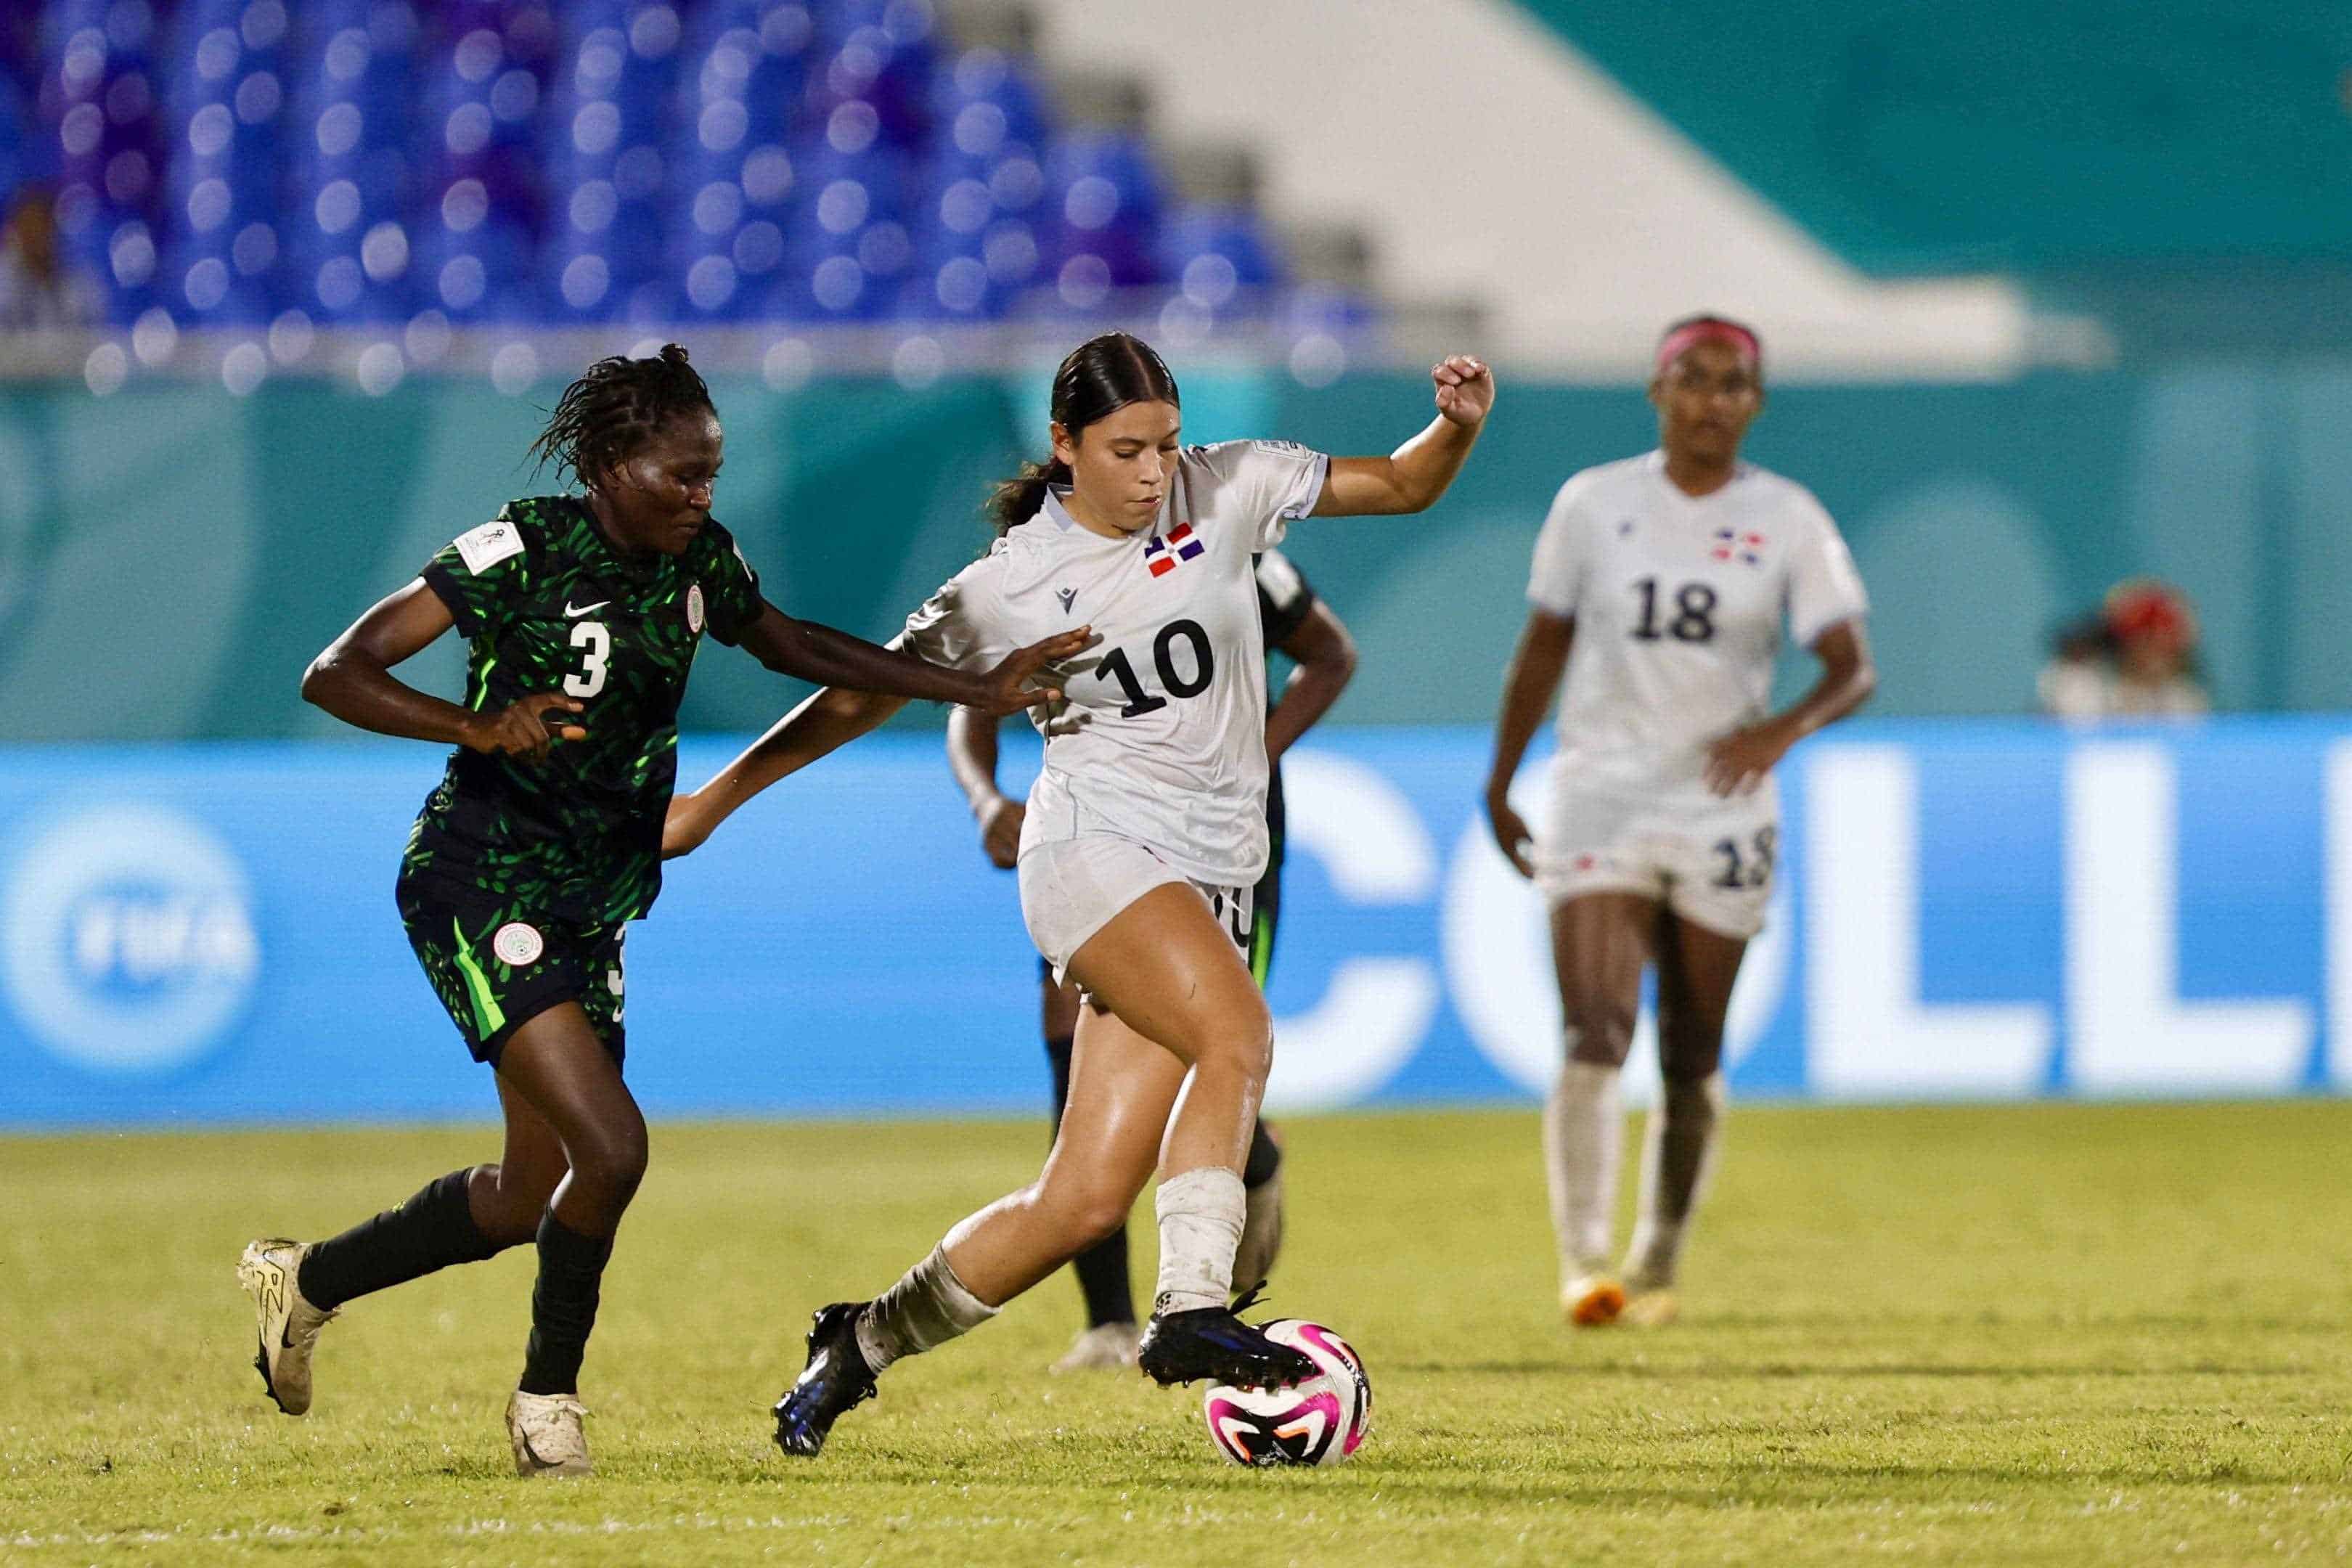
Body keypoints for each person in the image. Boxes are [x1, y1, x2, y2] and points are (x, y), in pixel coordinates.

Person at [237, 345, 1085, 1478]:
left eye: (713, 477)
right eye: (680, 477)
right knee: (615, 1145)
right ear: (606, 464)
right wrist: (474, 726)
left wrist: (975, 687)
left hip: (597, 897)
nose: (701, 498)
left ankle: (308, 1284)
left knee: (529, 1190)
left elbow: (798, 647)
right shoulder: (518, 549)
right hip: (481, 880)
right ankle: (547, 1407)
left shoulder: (702, 565)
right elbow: (335, 671)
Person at [663, 331, 1492, 1455]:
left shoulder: (1232, 485)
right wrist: (713, 802)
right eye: (1124, 451)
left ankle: (854, 1344)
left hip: (1214, 869)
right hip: (1093, 851)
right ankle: (1190, 1309)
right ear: (1063, 445)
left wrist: (1456, 426)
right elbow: (858, 699)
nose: (1155, 473)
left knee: (1081, 1201)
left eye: (1166, 444)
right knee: (1237, 1035)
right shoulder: (1010, 582)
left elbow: (1400, 485)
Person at [1482, 315, 1874, 1332]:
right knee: (1595, 1029)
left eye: (1732, 383)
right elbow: (1542, 647)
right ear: (1657, 393)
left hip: (1721, 802)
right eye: (1692, 380)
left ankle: (1657, 1255)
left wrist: (1779, 732)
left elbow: (1852, 665)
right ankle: (1583, 1264)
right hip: (1600, 791)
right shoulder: (1594, 503)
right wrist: (1502, 776)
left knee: (1690, 1048)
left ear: (1757, 402)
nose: (1711, 400)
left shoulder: (1788, 518)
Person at [945, 544, 1357, 1373]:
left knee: (1204, 1046)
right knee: (1079, 1060)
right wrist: (987, 797)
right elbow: (973, 698)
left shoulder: (1237, 547)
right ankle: (1108, 1323)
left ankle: (1257, 1160)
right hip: (1102, 840)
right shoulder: (1036, 566)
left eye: (1158, 450)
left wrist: (1253, 755)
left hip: (1228, 853)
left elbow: (1329, 654)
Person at [2038, 578, 2208, 720]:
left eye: (2169, 646)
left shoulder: (2183, 699)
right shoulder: (2081, 686)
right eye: (2143, 641)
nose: (2156, 657)